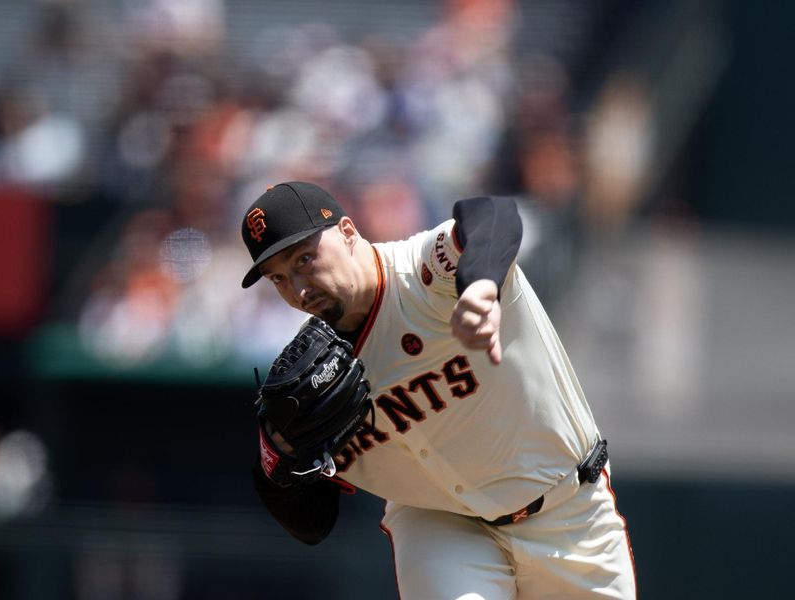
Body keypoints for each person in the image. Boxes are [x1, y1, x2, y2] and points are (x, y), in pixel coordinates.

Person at [240, 181, 636, 599]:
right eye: (279, 278)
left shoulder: (422, 273)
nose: (299, 289)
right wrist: (280, 461)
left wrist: (481, 284)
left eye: (305, 259)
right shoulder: (311, 381)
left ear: (348, 232)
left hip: (567, 510)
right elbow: (312, 525)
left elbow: (494, 214)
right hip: (440, 524)